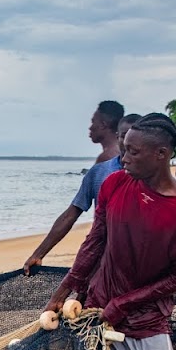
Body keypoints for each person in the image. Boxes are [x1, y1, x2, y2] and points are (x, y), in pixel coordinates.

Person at [45, 113, 176, 350]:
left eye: (133, 151)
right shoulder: (114, 185)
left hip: (147, 322)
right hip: (97, 312)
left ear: (161, 155)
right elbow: (94, 242)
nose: (124, 157)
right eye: (124, 148)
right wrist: (65, 290)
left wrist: (126, 303)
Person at [22, 109, 139, 275]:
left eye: (134, 136)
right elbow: (70, 214)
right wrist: (39, 253)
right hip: (101, 258)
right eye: (123, 136)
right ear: (117, 136)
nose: (128, 142)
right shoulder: (99, 173)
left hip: (139, 262)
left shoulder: (150, 177)